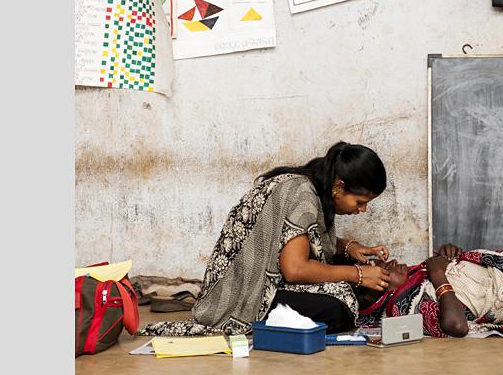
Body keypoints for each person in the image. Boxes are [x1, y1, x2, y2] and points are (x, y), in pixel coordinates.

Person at [139, 142, 392, 336]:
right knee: (338, 310)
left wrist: (349, 247)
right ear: (339, 186)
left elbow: (299, 236)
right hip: (243, 295)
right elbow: (294, 269)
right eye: (360, 202)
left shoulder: (311, 187)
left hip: (267, 281)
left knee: (343, 290)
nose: (362, 210)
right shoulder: (302, 194)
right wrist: (356, 274)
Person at [355, 244, 503, 338]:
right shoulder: (407, 307)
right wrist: (438, 274)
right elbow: (457, 326)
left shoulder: (417, 278)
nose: (392, 262)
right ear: (382, 293)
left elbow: (459, 278)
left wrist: (449, 255)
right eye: (385, 268)